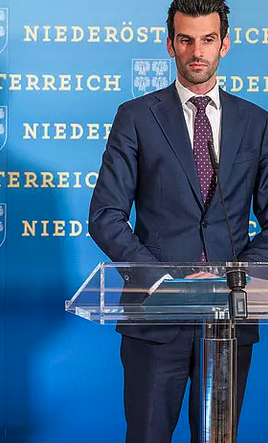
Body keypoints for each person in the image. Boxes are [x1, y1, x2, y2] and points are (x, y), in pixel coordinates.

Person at [89, 0, 268, 441]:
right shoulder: (137, 117)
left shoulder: (256, 122)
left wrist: (233, 276)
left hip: (228, 318)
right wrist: (165, 279)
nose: (197, 52)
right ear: (170, 45)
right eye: (186, 40)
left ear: (225, 44)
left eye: (208, 39)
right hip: (156, 317)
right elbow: (105, 215)